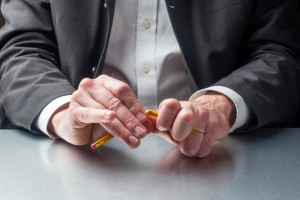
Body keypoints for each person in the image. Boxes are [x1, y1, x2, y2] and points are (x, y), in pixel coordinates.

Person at [1, 0, 300, 158]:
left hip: (226, 154)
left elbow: (280, 50)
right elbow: (20, 50)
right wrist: (65, 113)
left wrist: (223, 104)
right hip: (81, 157)